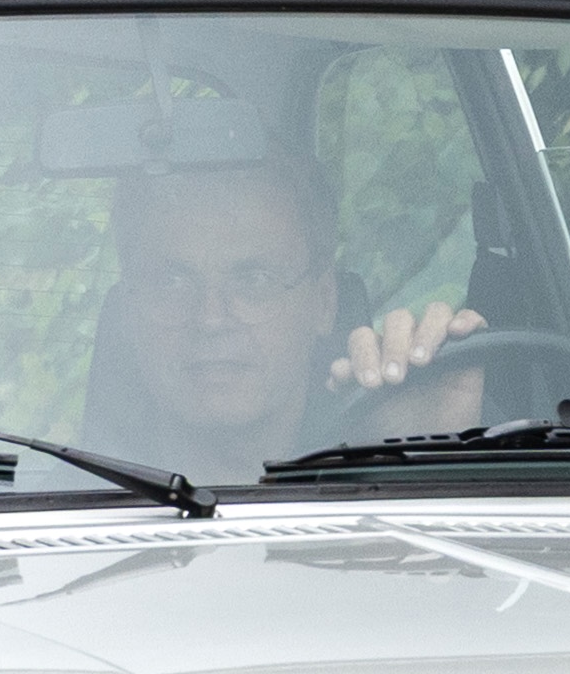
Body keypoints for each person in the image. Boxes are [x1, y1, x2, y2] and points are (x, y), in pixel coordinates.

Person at [83, 157, 489, 477]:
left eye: (254, 279)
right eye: (172, 282)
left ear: (323, 301)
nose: (211, 319)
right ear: (128, 311)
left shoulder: (384, 480)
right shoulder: (50, 511)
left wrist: (423, 462)